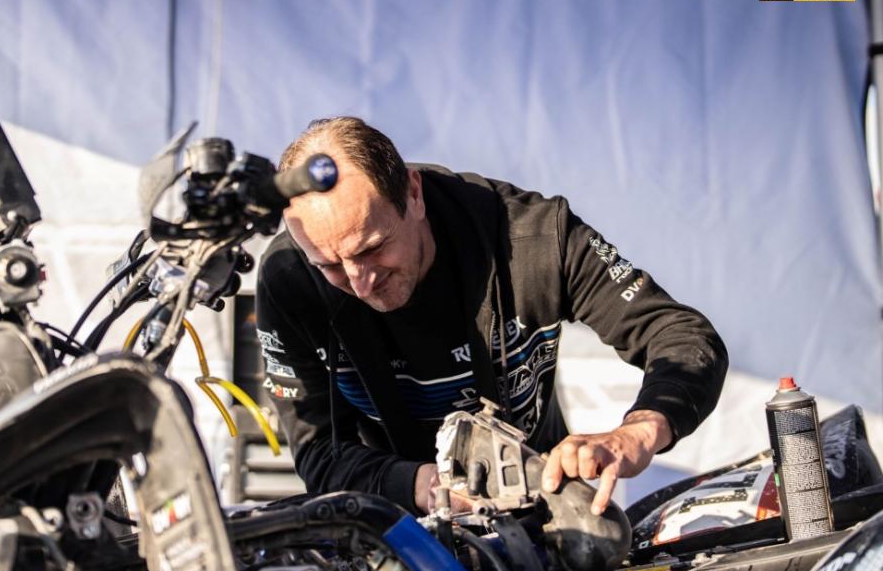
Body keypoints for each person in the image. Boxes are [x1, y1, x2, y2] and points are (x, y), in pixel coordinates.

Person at [254, 117, 727, 516]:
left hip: (538, 504)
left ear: (413, 194)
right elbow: (319, 450)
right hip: (388, 518)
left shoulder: (535, 238)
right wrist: (429, 487)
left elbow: (680, 335)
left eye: (372, 248)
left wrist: (639, 430)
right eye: (330, 266)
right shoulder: (288, 279)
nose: (361, 283)